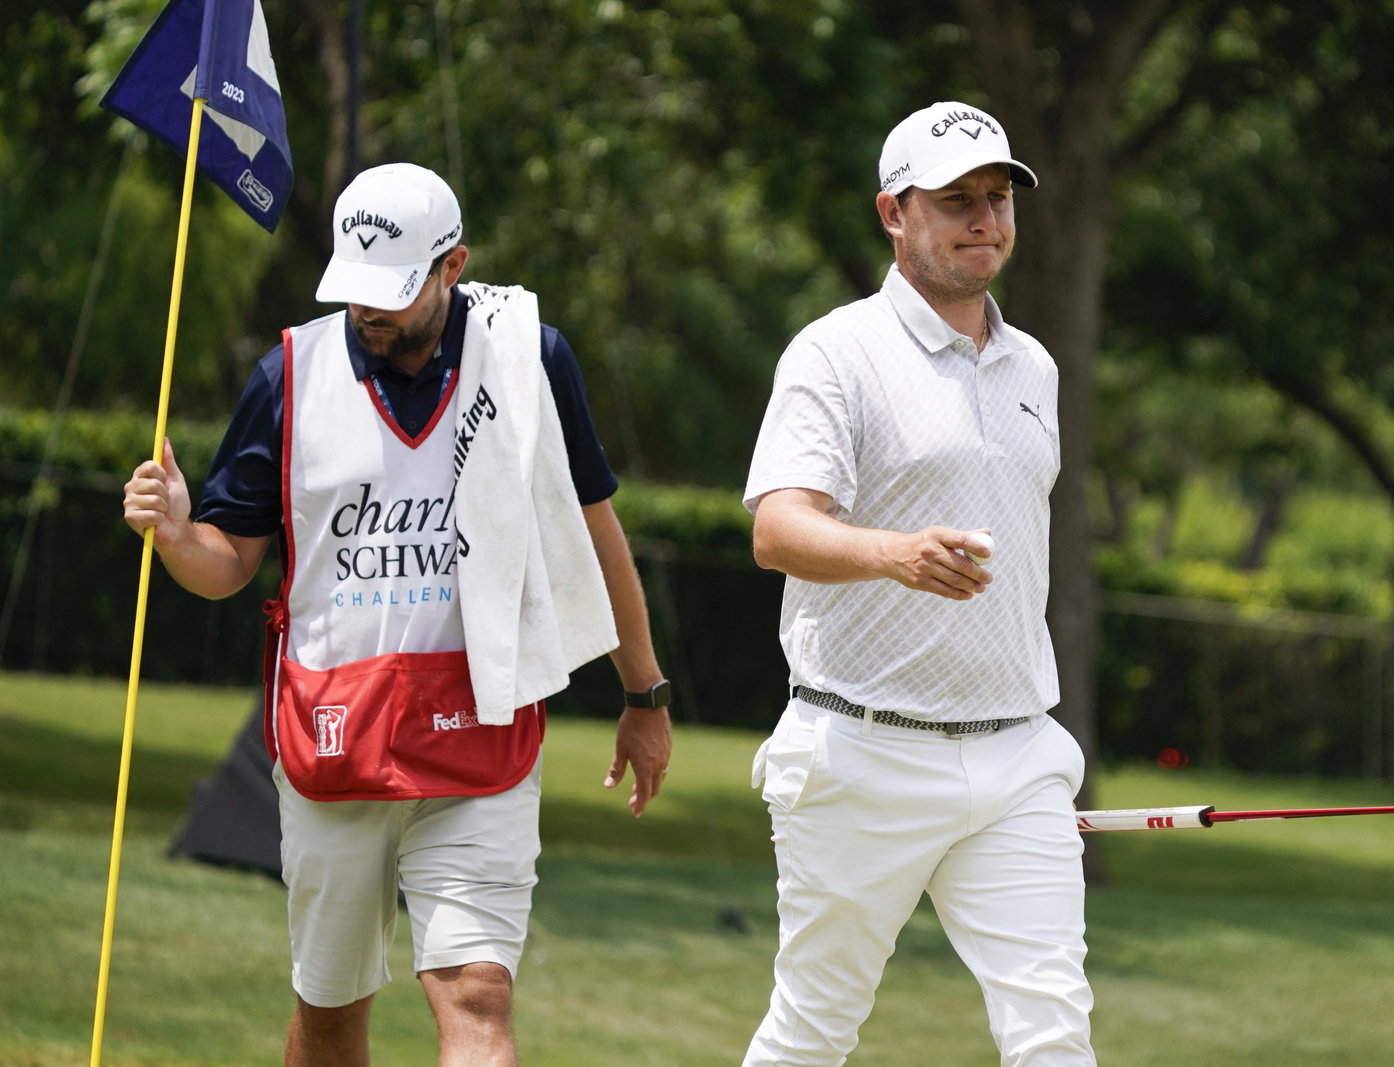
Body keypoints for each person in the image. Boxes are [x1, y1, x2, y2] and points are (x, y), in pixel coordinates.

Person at [122, 162, 674, 1066]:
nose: (368, 312)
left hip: (480, 733)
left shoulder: (529, 355)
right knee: (332, 1013)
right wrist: (180, 533)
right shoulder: (288, 373)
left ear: (453, 266)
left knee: (479, 994)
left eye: (393, 290)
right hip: (332, 735)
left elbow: (593, 531)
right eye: (355, 290)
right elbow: (227, 565)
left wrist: (643, 692)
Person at [740, 102, 1095, 1065]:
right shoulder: (835, 352)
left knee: (1054, 1029)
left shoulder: (1036, 366)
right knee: (816, 1026)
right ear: (894, 213)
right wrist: (892, 553)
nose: (984, 219)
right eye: (955, 202)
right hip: (861, 745)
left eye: (996, 199)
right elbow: (777, 527)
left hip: (1017, 751)